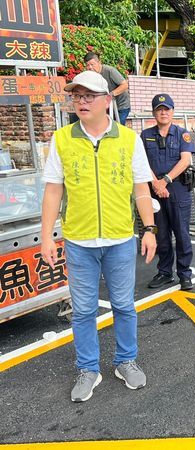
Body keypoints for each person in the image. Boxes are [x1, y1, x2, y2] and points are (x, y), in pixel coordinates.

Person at [40, 71, 157, 402]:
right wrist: (47, 236)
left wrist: (149, 229)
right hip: (79, 242)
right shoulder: (62, 139)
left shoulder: (129, 139)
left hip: (120, 239)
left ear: (108, 100)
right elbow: (52, 191)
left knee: (123, 305)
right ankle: (88, 368)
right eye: (77, 96)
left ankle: (126, 361)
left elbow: (141, 188)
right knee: (83, 310)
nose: (82, 102)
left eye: (89, 95)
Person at [142, 94, 194, 291]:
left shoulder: (183, 134)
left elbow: (186, 160)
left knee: (182, 234)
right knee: (161, 234)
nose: (163, 112)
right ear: (154, 112)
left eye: (167, 109)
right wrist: (155, 184)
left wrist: (164, 181)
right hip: (155, 191)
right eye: (159, 109)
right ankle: (165, 272)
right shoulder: (145, 135)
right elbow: (142, 162)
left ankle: (184, 274)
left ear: (173, 111)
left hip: (177, 190)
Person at [85, 52, 131, 125]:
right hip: (107, 106)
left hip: (121, 105)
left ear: (99, 62)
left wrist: (111, 95)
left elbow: (124, 85)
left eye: (92, 64)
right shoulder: (91, 76)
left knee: (117, 127)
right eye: (87, 65)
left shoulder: (110, 71)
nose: (90, 67)